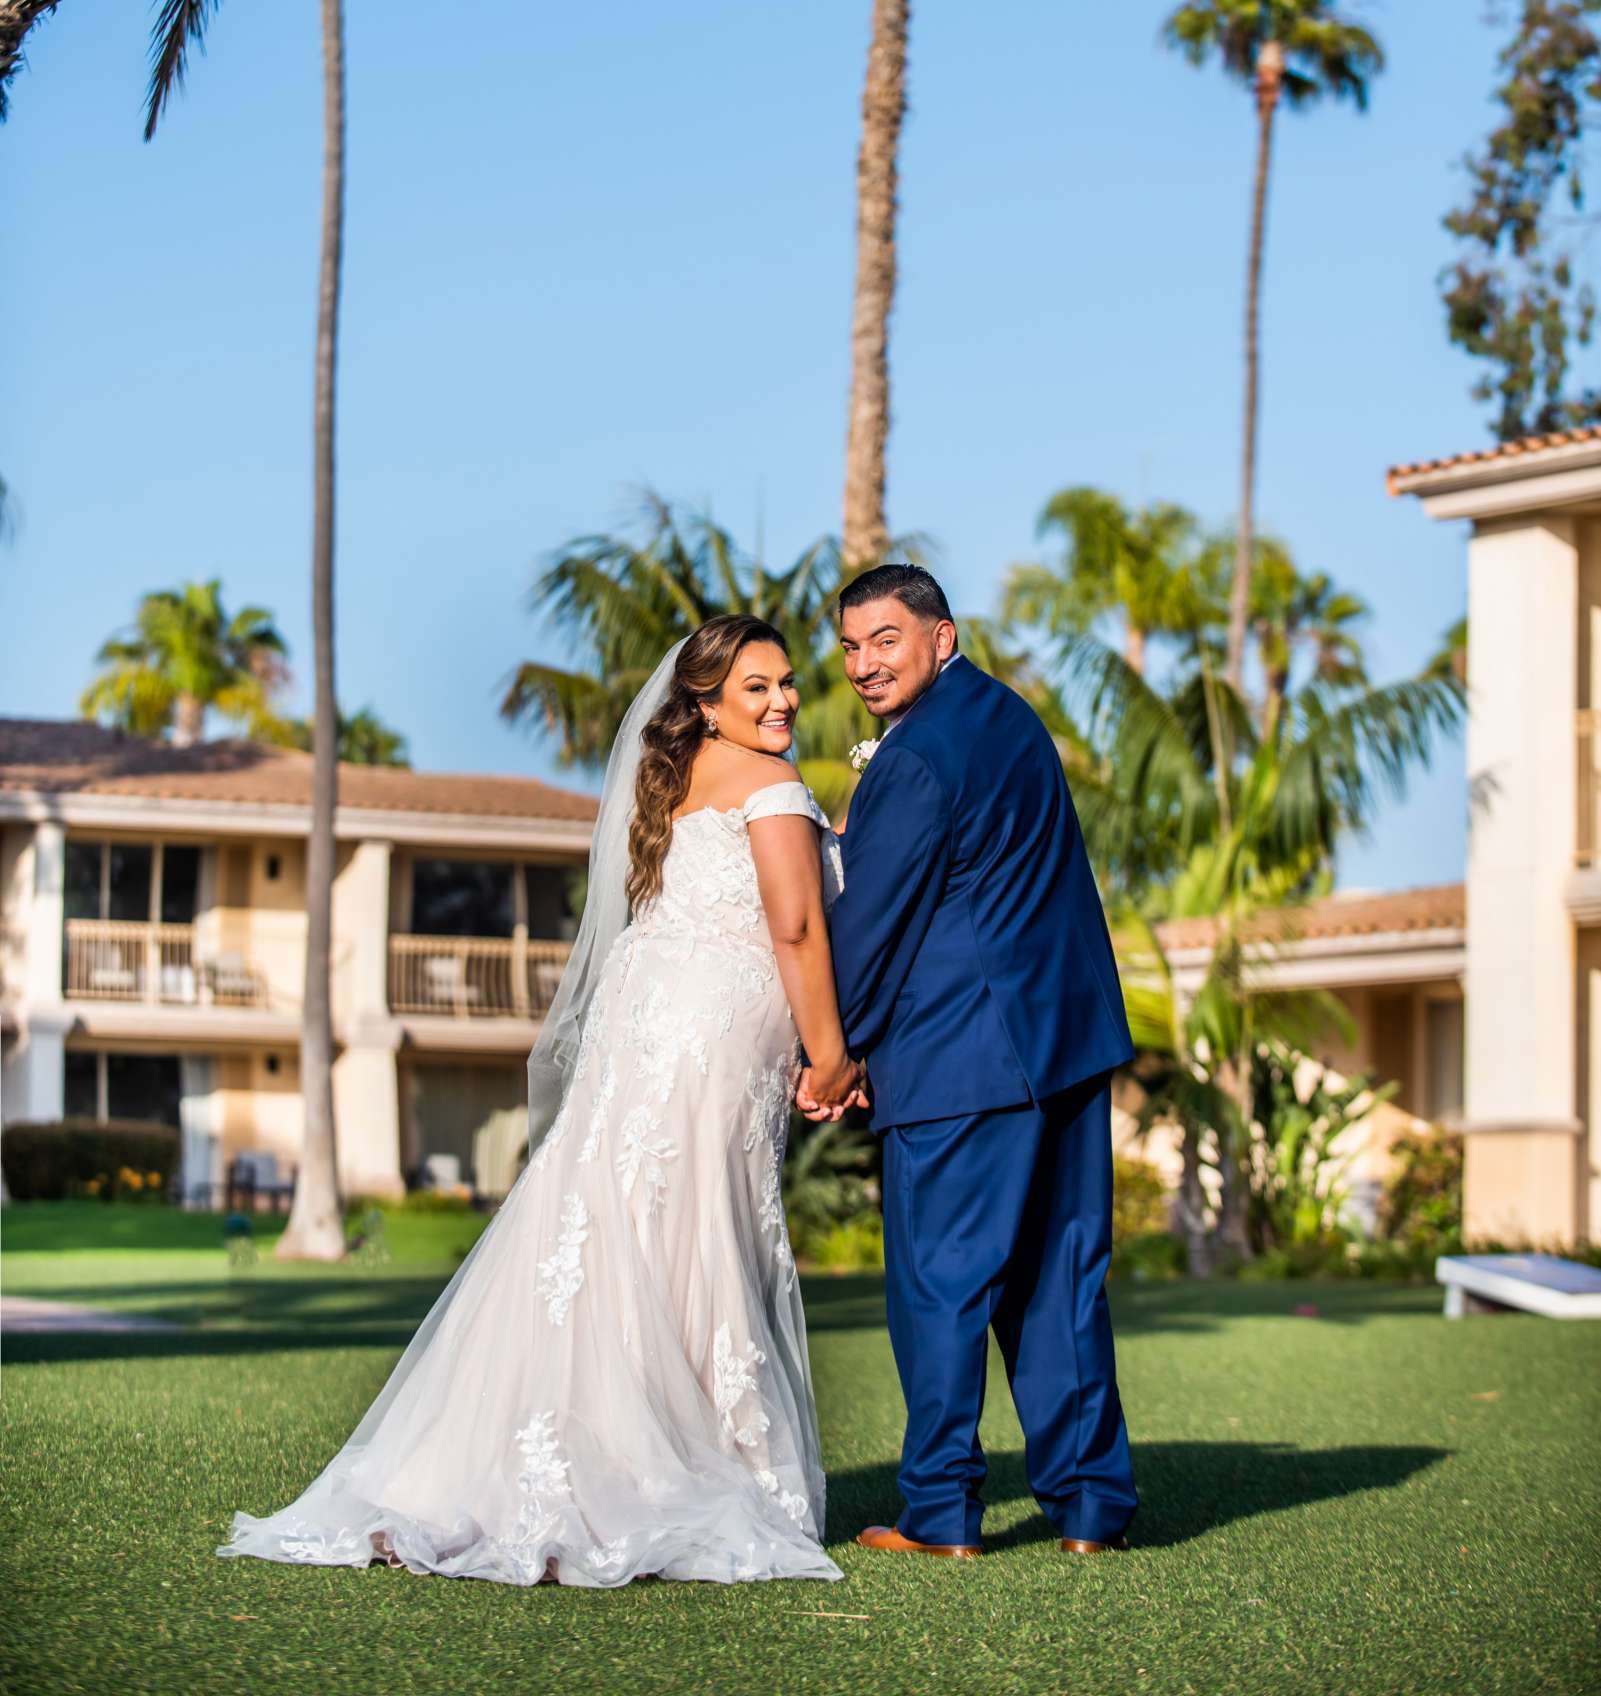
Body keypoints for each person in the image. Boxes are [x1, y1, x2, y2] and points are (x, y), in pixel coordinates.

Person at [220, 616, 856, 1587]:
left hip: (648, 1027)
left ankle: (569, 1458)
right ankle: (670, 1464)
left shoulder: (681, 784)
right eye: (754, 688)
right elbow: (798, 924)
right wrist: (829, 1055)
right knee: (686, 1225)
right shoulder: (769, 786)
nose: (780, 702)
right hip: (708, 1036)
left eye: (785, 683)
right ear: (704, 702)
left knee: (610, 1221)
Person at [803, 563, 1137, 1560]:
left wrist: (835, 1050)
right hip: (1066, 1046)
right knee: (1059, 1280)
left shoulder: (911, 759)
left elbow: (867, 928)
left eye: (885, 641)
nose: (863, 664)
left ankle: (940, 1512)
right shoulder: (1011, 719)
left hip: (961, 1060)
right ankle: (1088, 1512)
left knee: (942, 1287)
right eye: (852, 646)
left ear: (940, 637)